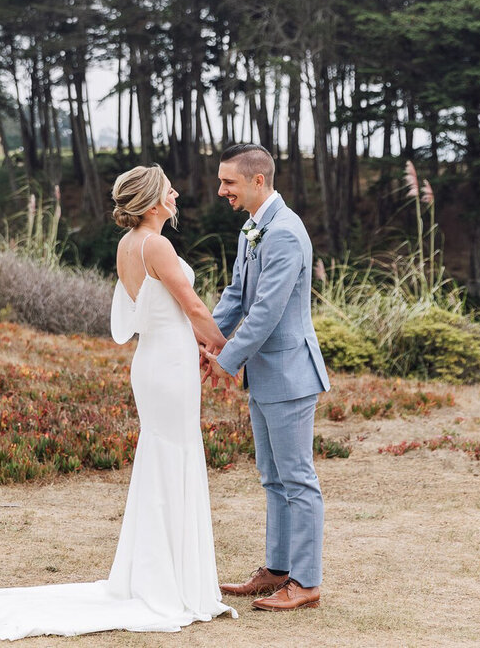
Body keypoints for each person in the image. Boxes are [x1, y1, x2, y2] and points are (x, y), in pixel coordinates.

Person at [0, 165, 236, 638]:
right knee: (174, 456)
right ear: (153, 204)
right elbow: (191, 305)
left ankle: (158, 574)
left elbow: (158, 310)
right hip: (169, 366)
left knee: (161, 457)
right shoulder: (157, 244)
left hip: (156, 358)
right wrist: (230, 356)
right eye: (169, 189)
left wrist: (201, 348)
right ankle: (169, 582)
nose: (176, 193)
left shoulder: (127, 246)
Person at [201, 142, 331, 612]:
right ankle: (276, 571)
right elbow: (237, 295)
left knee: (297, 479)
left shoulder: (285, 234)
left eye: (228, 182)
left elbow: (267, 313)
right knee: (272, 477)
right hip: (265, 374)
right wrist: (208, 340)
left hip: (290, 374)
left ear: (259, 181)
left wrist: (225, 360)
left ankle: (307, 582)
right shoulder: (253, 228)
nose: (221, 191)